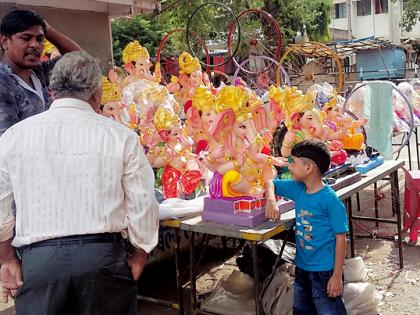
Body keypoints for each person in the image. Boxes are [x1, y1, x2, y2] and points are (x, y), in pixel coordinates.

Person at [0, 51, 159, 314]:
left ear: (51, 92)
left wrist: (6, 258)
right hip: (103, 260)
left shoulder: (15, 137)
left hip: (40, 264)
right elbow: (143, 203)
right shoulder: (121, 136)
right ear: (97, 93)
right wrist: (141, 253)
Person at [265, 140, 348, 315]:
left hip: (325, 271)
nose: (289, 166)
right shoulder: (298, 189)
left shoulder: (330, 200)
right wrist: (271, 201)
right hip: (302, 267)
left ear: (308, 167)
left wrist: (336, 276)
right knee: (302, 311)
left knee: (329, 311)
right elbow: (269, 183)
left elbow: (341, 239)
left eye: (293, 162)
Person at [0, 9, 81, 135]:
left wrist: (48, 30)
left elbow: (80, 59)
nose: (35, 45)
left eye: (40, 39)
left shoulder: (39, 73)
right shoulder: (3, 82)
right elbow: (5, 142)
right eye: (26, 38)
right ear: (5, 41)